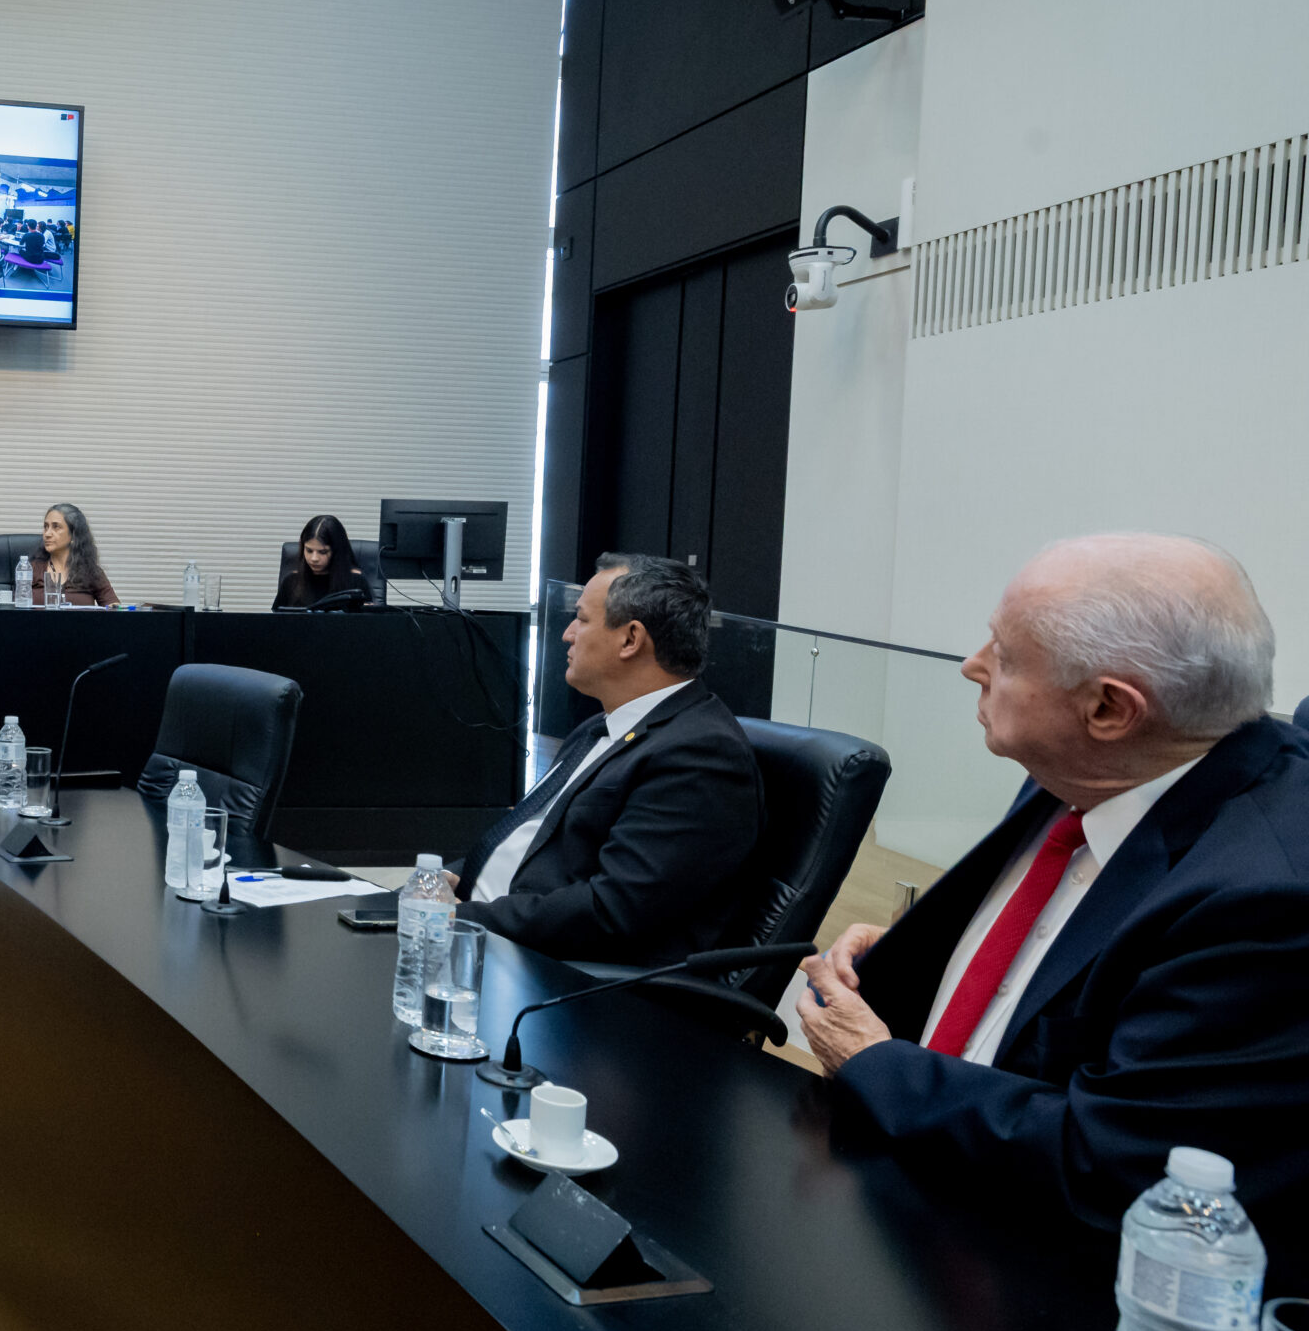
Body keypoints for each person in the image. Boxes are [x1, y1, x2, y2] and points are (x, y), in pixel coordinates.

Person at [796, 535, 1309, 1260]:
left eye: (1005, 657)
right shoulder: (1095, 767)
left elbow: (1111, 1162)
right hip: (911, 1194)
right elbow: (1087, 964)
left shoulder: (1265, 902)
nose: (972, 665)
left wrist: (872, 1062)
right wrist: (944, 950)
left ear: (1108, 708)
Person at [453, 553, 762, 962]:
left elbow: (611, 910)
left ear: (630, 639)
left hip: (551, 971)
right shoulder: (602, 725)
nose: (567, 634)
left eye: (581, 619)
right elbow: (533, 837)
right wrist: (450, 880)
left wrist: (463, 918)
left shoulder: (701, 755)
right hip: (489, 930)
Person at [275, 514, 370, 609]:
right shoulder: (291, 581)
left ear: (336, 551)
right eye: (309, 550)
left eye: (323, 552)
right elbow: (277, 617)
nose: (314, 558)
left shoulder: (356, 582)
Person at [36, 504, 118, 607]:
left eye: (56, 527)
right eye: (46, 527)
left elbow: (113, 607)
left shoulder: (90, 572)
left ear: (73, 534)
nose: (47, 534)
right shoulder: (32, 569)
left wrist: (113, 607)